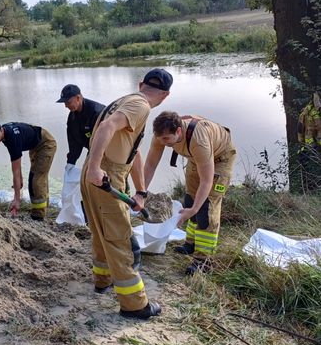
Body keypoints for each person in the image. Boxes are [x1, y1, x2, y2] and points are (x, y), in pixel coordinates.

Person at [81, 68, 172, 320]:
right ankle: (134, 305)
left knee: (102, 232)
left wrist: (141, 192)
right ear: (165, 95)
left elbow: (134, 152)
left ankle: (103, 279)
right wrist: (97, 168)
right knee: (122, 240)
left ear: (141, 83)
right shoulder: (139, 105)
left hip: (96, 173)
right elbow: (107, 128)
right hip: (103, 175)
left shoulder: (123, 100)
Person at [57, 84, 142, 270]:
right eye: (64, 103)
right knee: (89, 200)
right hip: (94, 162)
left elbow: (118, 141)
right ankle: (96, 234)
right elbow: (74, 143)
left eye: (68, 101)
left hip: (112, 162)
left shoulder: (97, 112)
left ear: (78, 97)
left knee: (115, 204)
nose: (66, 106)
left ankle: (131, 249)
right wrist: (70, 164)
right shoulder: (72, 118)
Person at [143, 111, 236, 275]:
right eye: (159, 139)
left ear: (178, 131)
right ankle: (191, 244)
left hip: (220, 159)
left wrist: (194, 210)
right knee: (189, 200)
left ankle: (203, 260)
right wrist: (140, 192)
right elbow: (150, 165)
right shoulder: (160, 135)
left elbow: (206, 181)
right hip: (197, 158)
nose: (162, 143)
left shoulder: (198, 141)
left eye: (166, 139)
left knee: (205, 208)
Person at [0, 121, 56, 220]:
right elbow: (17, 162)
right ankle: (45, 206)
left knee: (36, 179)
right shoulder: (5, 134)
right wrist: (20, 179)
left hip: (45, 144)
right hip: (34, 145)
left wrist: (17, 200)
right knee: (37, 177)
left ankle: (38, 215)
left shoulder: (12, 139)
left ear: (0, 130)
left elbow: (15, 172)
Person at [297, 92, 321, 192]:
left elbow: (299, 130)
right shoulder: (314, 114)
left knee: (308, 174)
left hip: (307, 148)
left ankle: (309, 190)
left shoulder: (305, 112)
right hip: (314, 149)